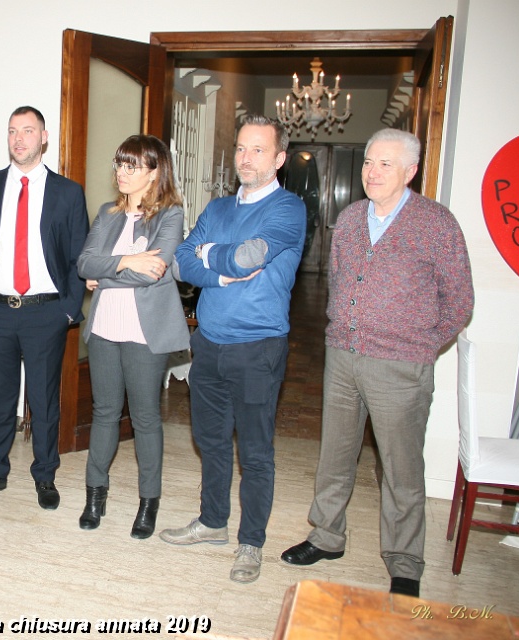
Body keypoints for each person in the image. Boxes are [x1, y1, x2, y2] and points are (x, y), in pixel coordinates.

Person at [280, 128, 473, 598]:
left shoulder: (436, 223)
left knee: (400, 469)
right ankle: (326, 536)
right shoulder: (350, 219)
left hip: (401, 367)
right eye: (369, 161)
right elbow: (339, 280)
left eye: (386, 163)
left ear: (410, 171)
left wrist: (420, 346)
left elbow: (460, 301)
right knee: (335, 456)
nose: (373, 171)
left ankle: (404, 562)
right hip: (343, 357)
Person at [160, 114, 306, 584]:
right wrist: (219, 272)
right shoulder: (218, 208)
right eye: (241, 148)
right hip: (208, 343)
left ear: (279, 158)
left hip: (258, 347)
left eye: (258, 150)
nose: (246, 158)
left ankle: (251, 543)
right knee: (211, 441)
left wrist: (209, 254)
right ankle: (212, 522)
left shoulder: (288, 209)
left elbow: (250, 256)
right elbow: (180, 263)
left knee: (256, 453)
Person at [0, 106, 88, 510]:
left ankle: (45, 476)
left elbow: (78, 257)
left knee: (44, 401)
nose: (19, 138)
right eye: (13, 131)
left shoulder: (68, 193)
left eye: (28, 131)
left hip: (44, 312)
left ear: (44, 137)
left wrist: (66, 310)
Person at [76, 134, 189, 538]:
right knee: (104, 413)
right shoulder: (107, 214)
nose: (121, 172)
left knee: (145, 418)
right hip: (105, 327)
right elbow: (83, 264)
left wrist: (104, 274)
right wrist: (126, 260)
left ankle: (148, 503)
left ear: (155, 172)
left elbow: (152, 273)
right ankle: (95, 495)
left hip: (145, 330)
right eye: (119, 164)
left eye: (132, 165)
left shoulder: (170, 215)